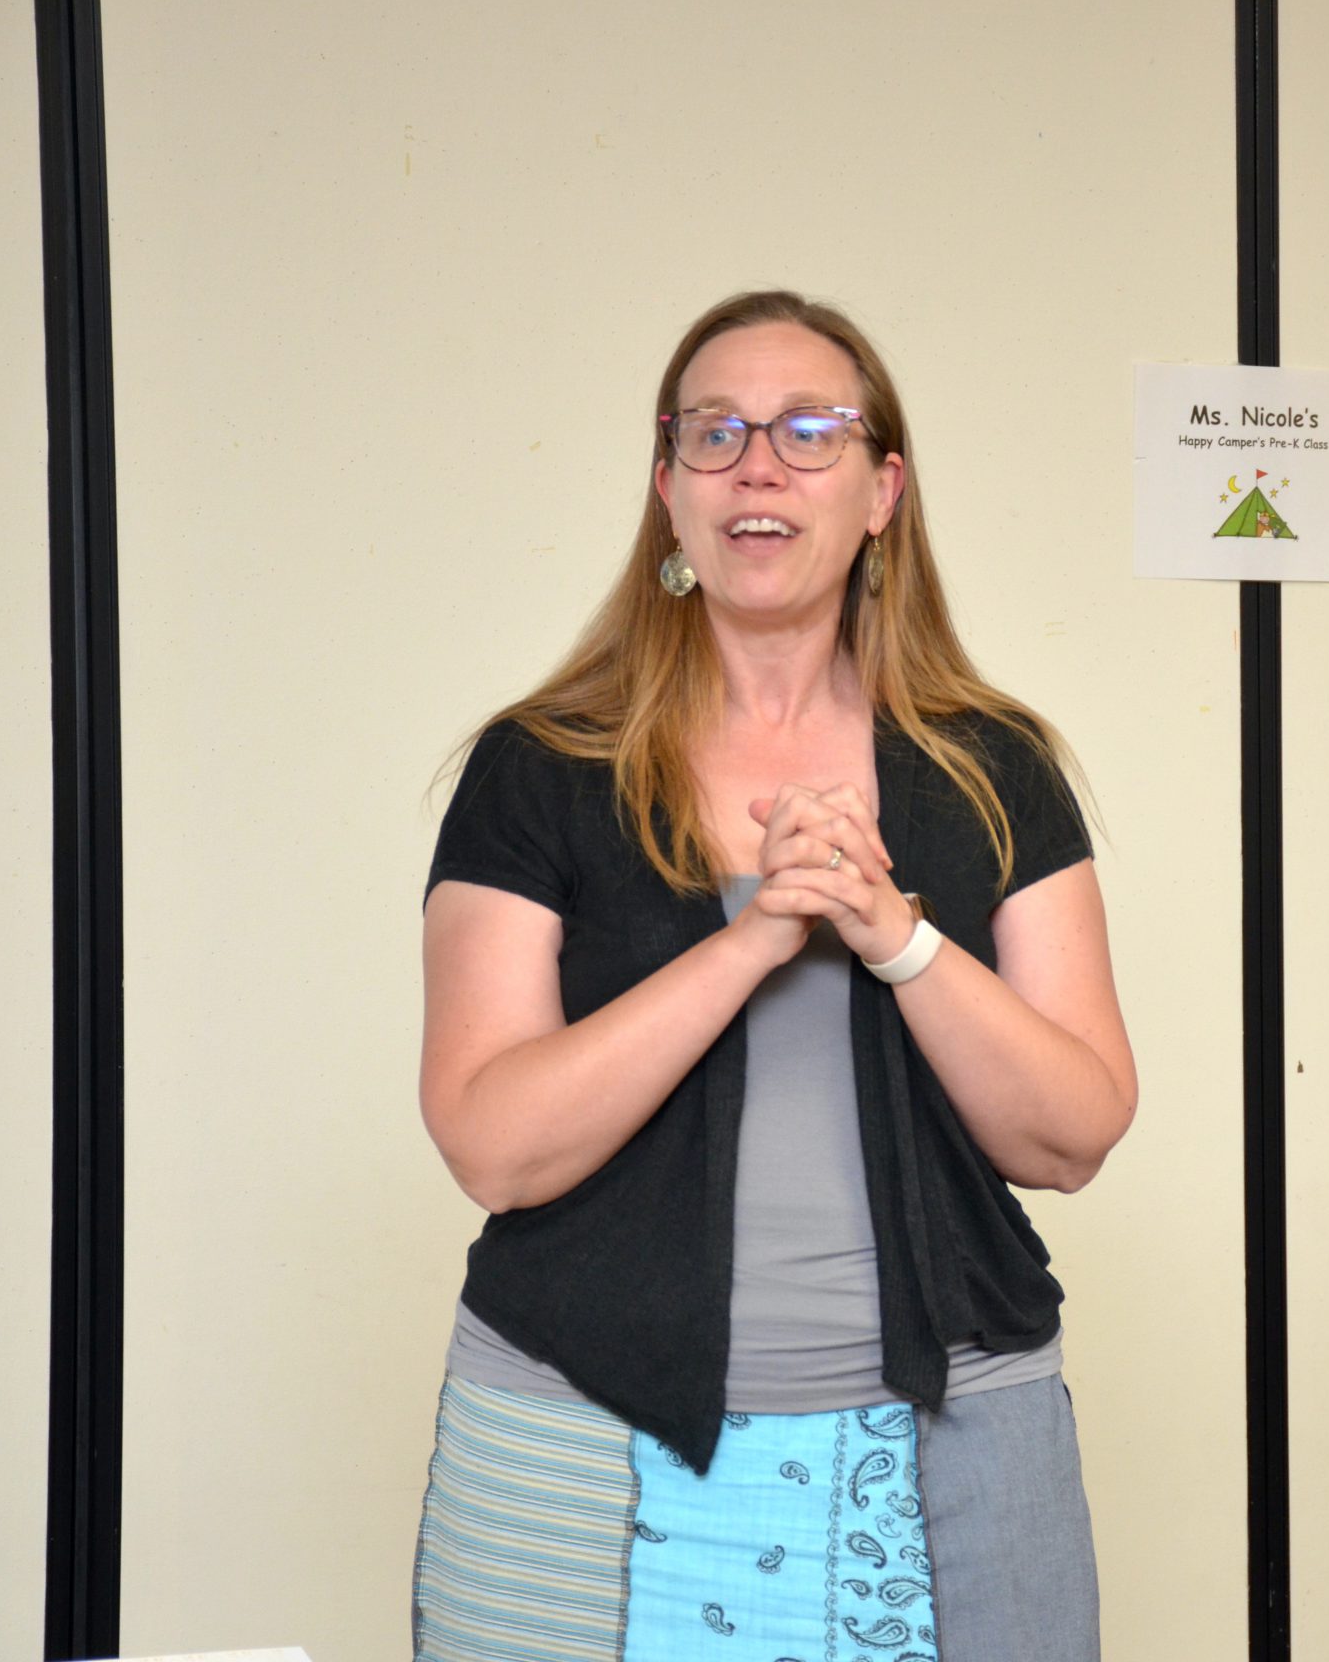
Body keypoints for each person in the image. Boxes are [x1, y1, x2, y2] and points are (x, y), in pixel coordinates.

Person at [409, 290, 1134, 1662]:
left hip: (955, 1441)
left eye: (810, 431)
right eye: (716, 432)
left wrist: (893, 933)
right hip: (572, 1438)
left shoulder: (997, 769)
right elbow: (495, 1146)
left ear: (882, 491)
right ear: (668, 489)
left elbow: (1074, 1133)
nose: (759, 466)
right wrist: (752, 939)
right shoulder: (540, 768)